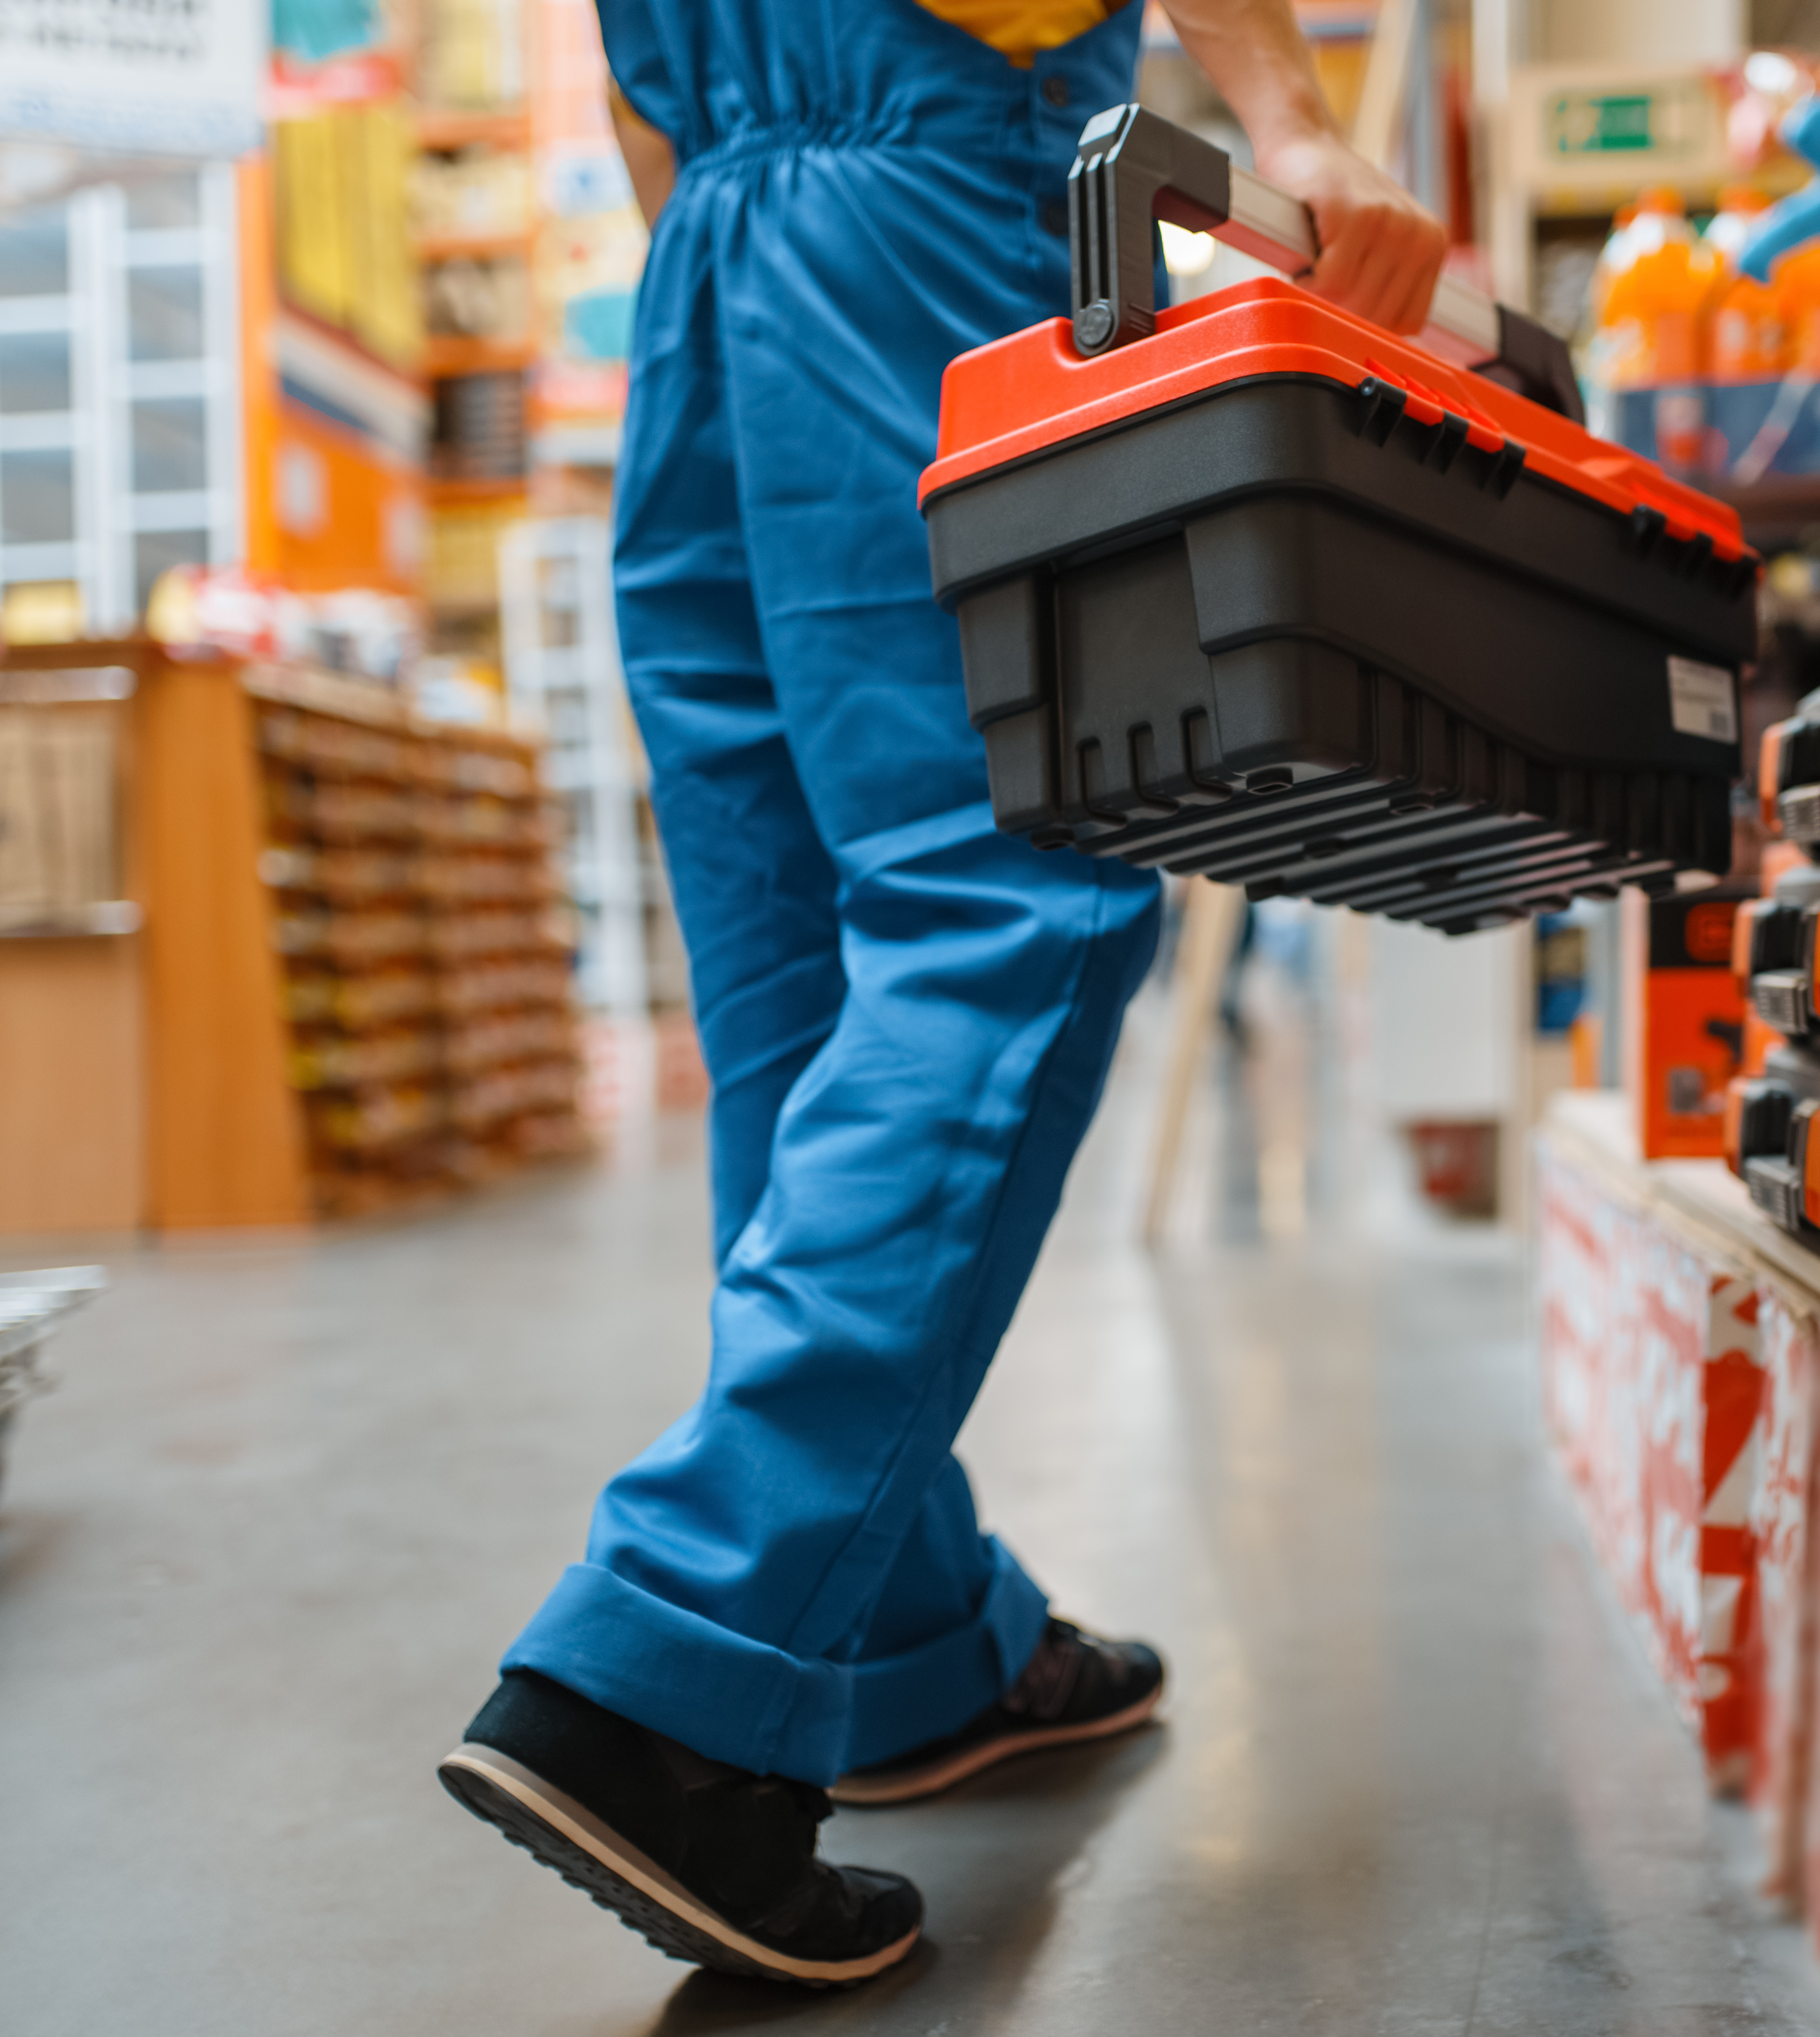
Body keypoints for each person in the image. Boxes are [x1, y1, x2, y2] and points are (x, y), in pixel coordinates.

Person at [434, 0, 1448, 1989]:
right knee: (1018, 898)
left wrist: (729, 198)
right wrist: (1296, 121)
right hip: (931, 204)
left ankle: (895, 1643)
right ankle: (674, 1667)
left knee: (799, 981)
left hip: (706, 253)